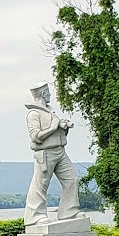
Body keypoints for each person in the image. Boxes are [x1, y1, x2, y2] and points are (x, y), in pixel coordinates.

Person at [24, 84, 79, 225]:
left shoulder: (50, 111)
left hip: (60, 151)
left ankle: (69, 211)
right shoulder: (33, 114)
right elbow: (35, 136)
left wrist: (63, 128)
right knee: (41, 184)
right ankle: (35, 216)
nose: (50, 95)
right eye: (48, 92)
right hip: (45, 153)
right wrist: (53, 127)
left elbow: (56, 131)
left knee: (71, 179)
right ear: (43, 94)